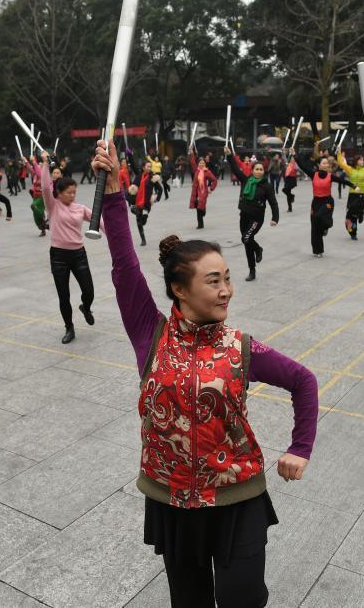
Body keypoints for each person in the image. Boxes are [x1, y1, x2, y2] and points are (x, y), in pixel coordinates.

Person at [92, 138, 318, 608]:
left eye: (228, 278)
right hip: (173, 498)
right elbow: (123, 267)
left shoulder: (241, 347)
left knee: (243, 599)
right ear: (179, 289)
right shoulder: (150, 335)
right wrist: (114, 191)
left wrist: (300, 448)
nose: (226, 290)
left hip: (237, 495)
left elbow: (303, 381)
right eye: (213, 281)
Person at [38, 150, 98, 344]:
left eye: (75, 192)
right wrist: (45, 164)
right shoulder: (53, 205)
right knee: (64, 295)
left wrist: (116, 236)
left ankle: (86, 307)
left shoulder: (80, 208)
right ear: (59, 193)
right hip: (58, 256)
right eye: (69, 193)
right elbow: (45, 188)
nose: (73, 195)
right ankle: (69, 328)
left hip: (79, 254)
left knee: (88, 290)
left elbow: (99, 221)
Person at [227, 148, 279, 281]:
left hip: (257, 218)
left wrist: (275, 218)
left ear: (263, 171)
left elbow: (273, 203)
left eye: (261, 170)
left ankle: (258, 249)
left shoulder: (266, 186)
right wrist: (229, 156)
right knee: (247, 242)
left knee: (246, 238)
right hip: (244, 216)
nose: (259, 171)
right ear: (252, 170)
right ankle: (252, 271)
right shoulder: (246, 180)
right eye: (256, 169)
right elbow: (235, 169)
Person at [293, 152, 353, 258]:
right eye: (324, 163)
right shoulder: (313, 174)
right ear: (319, 165)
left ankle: (326, 227)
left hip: (327, 202)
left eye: (327, 163)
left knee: (319, 217)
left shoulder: (330, 176)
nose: (326, 165)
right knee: (314, 227)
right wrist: (294, 155)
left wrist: (353, 186)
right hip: (316, 202)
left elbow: (342, 181)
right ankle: (317, 251)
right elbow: (302, 166)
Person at [336, 152, 364, 240]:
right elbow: (340, 163)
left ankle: (360, 213)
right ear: (356, 161)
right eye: (360, 159)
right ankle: (353, 232)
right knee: (349, 216)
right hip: (352, 195)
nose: (362, 161)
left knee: (354, 211)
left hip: (362, 195)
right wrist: (339, 152)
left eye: (363, 159)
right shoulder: (350, 170)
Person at [127, 151, 155, 246]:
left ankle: (144, 217)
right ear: (143, 167)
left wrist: (157, 197)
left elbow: (159, 188)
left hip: (146, 203)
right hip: (137, 201)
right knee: (139, 221)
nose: (149, 168)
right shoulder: (139, 174)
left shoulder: (152, 177)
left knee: (143, 219)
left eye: (150, 166)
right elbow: (133, 165)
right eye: (148, 166)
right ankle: (143, 239)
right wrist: (130, 155)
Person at [188, 150, 217, 230]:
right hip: (196, 192)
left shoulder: (207, 172)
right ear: (198, 164)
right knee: (198, 207)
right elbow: (192, 161)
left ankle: (203, 210)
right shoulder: (196, 170)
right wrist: (191, 153)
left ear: (205, 164)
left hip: (203, 192)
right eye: (200, 163)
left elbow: (214, 180)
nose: (201, 164)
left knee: (200, 206)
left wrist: (211, 188)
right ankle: (200, 224)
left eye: (203, 163)